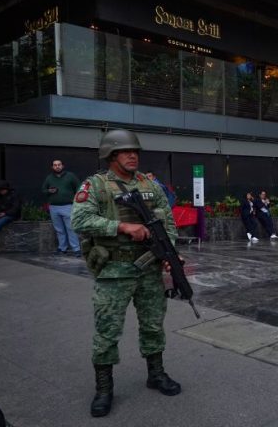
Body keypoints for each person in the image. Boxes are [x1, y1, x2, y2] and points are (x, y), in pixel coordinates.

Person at [71, 129, 181, 418]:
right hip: (113, 270)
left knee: (154, 325)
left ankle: (156, 374)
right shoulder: (95, 185)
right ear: (111, 155)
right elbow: (79, 220)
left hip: (149, 268)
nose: (133, 155)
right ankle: (104, 389)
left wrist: (169, 253)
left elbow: (167, 221)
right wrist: (121, 227)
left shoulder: (149, 184)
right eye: (125, 151)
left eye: (135, 151)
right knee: (107, 331)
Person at [42, 159, 82, 256]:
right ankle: (62, 248)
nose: (57, 166)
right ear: (52, 167)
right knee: (59, 229)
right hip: (54, 207)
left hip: (68, 206)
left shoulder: (70, 176)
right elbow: (43, 190)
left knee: (70, 228)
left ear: (62, 166)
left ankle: (76, 249)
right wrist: (49, 191)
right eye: (55, 165)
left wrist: (77, 197)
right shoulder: (49, 178)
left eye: (59, 164)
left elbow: (79, 186)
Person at [0, 180, 21, 246]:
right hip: (0, 213)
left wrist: (5, 213)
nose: (1, 192)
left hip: (10, 214)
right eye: (0, 190)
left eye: (2, 190)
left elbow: (16, 208)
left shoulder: (14, 195)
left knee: (0, 223)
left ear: (6, 189)